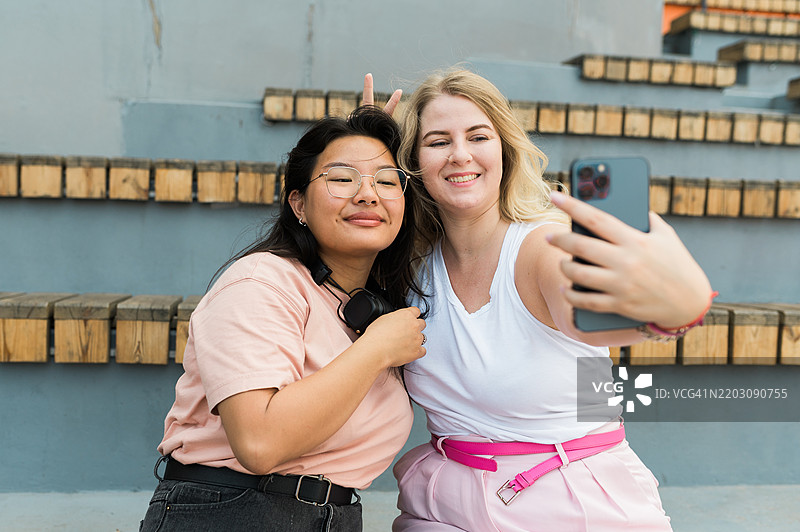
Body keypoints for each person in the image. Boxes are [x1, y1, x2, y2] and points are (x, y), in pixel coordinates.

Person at [363, 69, 713, 531]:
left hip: (573, 500)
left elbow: (591, 317)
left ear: (504, 150)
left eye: (478, 135)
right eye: (438, 141)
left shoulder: (543, 247)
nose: (460, 154)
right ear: (412, 161)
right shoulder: (411, 267)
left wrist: (672, 313)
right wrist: (365, 155)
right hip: (445, 505)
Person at [139, 106, 428, 532]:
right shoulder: (259, 282)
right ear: (298, 204)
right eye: (341, 178)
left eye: (386, 181)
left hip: (334, 516)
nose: (368, 194)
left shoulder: (373, 304)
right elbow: (259, 442)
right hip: (233, 512)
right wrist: (374, 351)